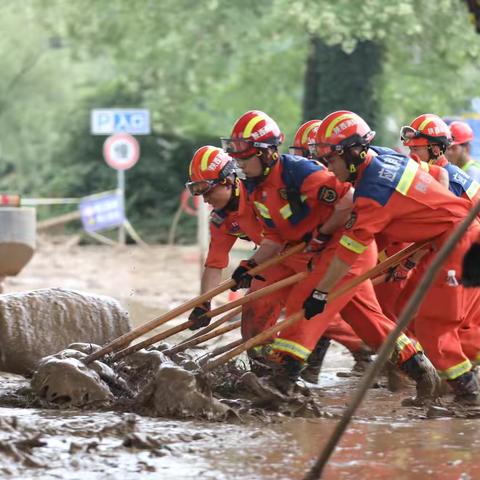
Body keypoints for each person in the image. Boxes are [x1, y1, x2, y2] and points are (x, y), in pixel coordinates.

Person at [221, 110, 429, 394]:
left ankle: (282, 384)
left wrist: (322, 234)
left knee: (303, 305)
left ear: (267, 153)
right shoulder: (256, 188)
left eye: (245, 159)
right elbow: (274, 237)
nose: (240, 165)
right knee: (369, 324)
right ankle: (422, 371)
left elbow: (348, 201)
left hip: (345, 252)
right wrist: (250, 265)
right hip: (321, 256)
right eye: (237, 159)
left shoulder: (300, 172)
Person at [306, 110, 480, 405]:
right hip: (440, 241)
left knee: (434, 327)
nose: (328, 168)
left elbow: (349, 252)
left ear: (352, 153)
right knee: (408, 312)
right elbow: (433, 176)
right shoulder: (383, 156)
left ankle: (468, 393)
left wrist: (321, 293)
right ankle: (443, 383)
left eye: (331, 160)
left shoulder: (374, 193)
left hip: (458, 243)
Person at [186, 146, 262, 330]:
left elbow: (280, 240)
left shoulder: (260, 195)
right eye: (200, 193)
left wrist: (252, 265)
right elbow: (214, 263)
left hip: (309, 255)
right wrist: (204, 303)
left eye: (208, 192)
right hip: (277, 260)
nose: (205, 200)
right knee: (254, 315)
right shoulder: (221, 219)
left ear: (228, 180)